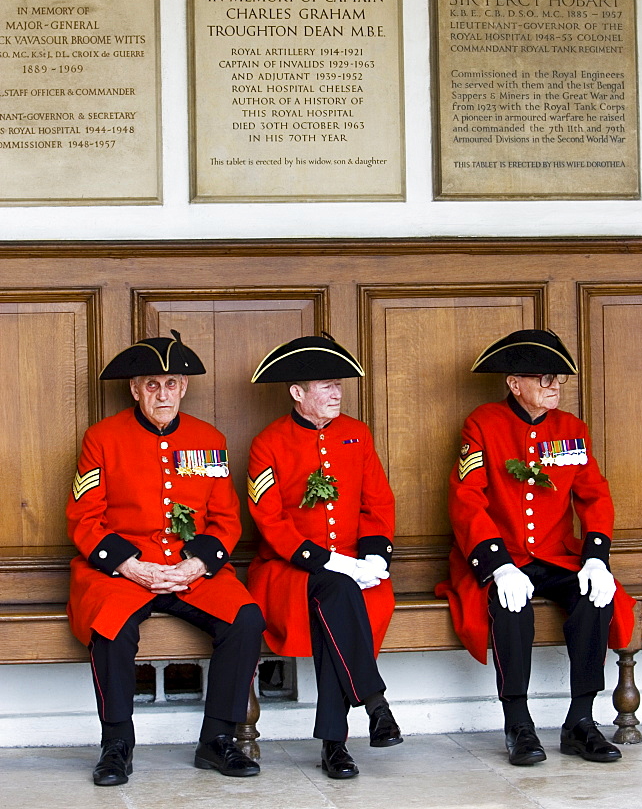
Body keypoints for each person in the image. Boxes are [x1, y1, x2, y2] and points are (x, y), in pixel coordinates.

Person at [67, 330, 265, 786]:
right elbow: (83, 517)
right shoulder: (103, 438)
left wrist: (198, 564)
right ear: (135, 390)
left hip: (188, 569)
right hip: (123, 570)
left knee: (246, 618)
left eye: (171, 383)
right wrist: (129, 565)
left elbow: (225, 519)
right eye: (152, 385)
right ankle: (116, 745)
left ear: (185, 387)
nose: (163, 393)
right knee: (110, 626)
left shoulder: (207, 439)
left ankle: (217, 740)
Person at [437, 329, 635, 767]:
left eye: (559, 379)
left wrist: (597, 559)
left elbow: (595, 497)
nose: (555, 387)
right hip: (504, 556)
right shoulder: (484, 424)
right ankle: (518, 723)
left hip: (555, 554)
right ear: (514, 383)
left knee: (597, 598)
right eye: (545, 378)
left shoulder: (571, 430)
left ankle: (580, 721)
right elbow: (466, 499)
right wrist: (497, 565)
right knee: (511, 608)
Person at [246, 335, 402, 779]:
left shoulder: (357, 434)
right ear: (297, 393)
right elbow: (270, 521)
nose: (338, 394)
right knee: (337, 592)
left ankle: (337, 744)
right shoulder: (268, 443)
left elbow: (379, 503)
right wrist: (329, 561)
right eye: (327, 385)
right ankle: (373, 705)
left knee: (339, 607)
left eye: (340, 385)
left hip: (355, 566)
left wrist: (374, 557)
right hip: (288, 568)